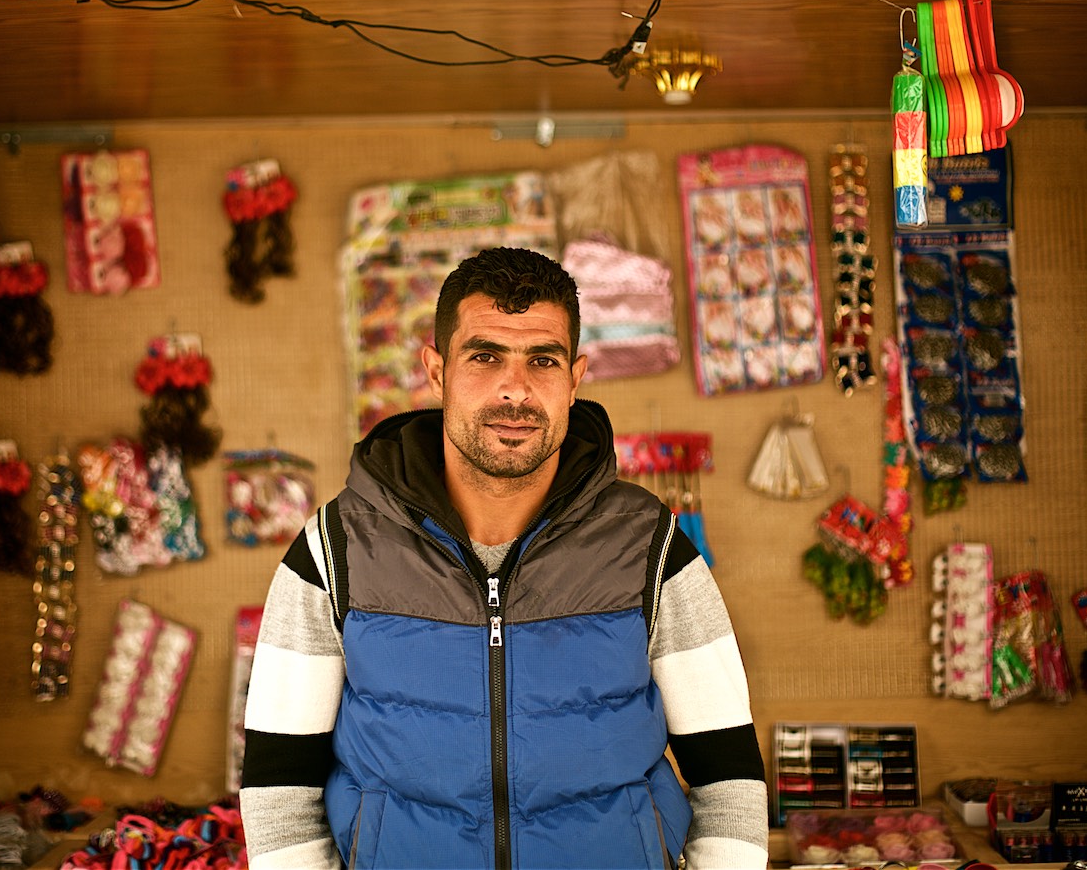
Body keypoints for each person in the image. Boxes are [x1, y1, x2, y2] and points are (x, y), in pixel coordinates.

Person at [240, 246, 767, 869]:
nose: (514, 389)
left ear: (575, 377)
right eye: (485, 356)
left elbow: (729, 776)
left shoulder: (649, 546)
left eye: (541, 360)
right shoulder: (335, 549)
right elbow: (278, 789)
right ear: (436, 371)